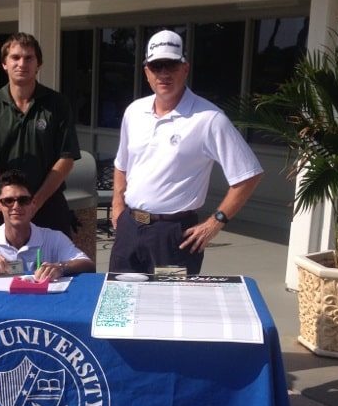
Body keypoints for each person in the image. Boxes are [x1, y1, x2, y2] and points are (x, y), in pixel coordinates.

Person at [109, 30, 264, 275]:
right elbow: (122, 164)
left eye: (171, 65)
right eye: (156, 66)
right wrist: (117, 205)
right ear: (146, 71)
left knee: (169, 307)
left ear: (185, 68)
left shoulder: (209, 119)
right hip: (129, 227)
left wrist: (216, 222)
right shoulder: (134, 112)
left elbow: (248, 174)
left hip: (172, 236)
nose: (164, 73)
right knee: (120, 301)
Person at [0, 32, 80, 237]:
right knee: (3, 267)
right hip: (5, 209)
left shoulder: (57, 104)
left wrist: (35, 202)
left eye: (28, 58)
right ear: (4, 64)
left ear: (38, 64)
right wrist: (8, 201)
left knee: (54, 267)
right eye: (15, 57)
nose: (22, 63)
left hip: (49, 205)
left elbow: (66, 158)